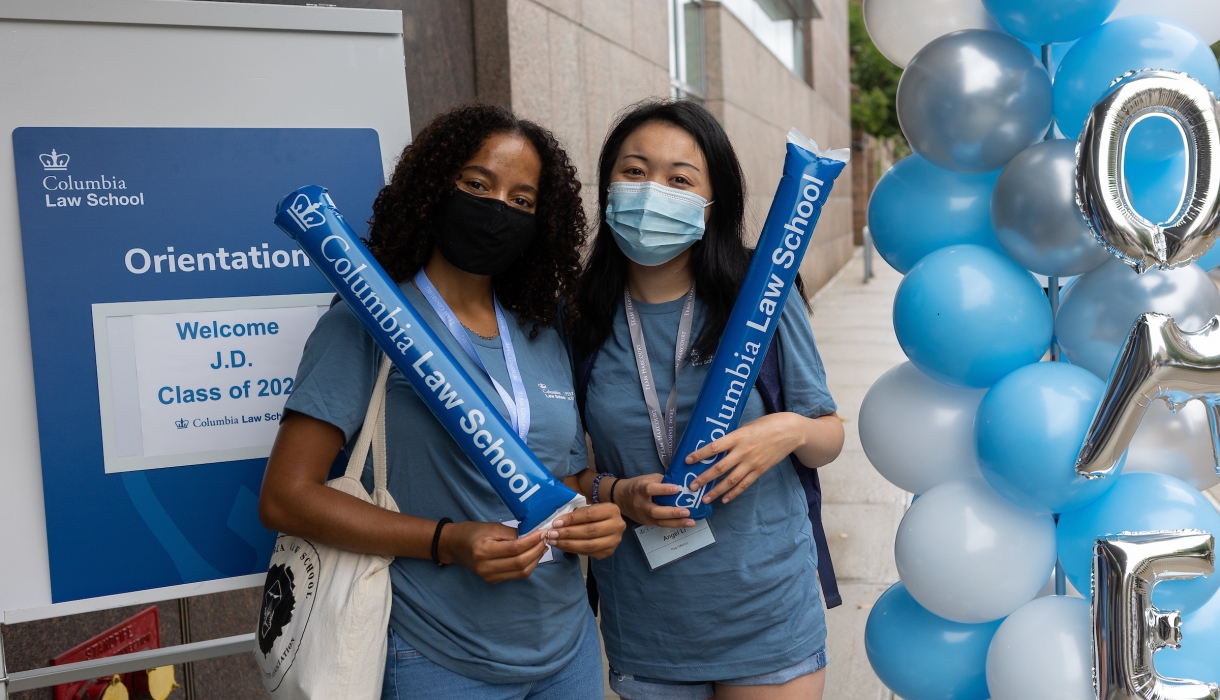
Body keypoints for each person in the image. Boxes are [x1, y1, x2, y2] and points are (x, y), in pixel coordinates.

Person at [259, 103, 625, 700]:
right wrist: (444, 541)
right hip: (438, 657)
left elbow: (566, 476)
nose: (497, 208)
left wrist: (600, 510)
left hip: (570, 652)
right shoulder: (366, 323)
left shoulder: (542, 332)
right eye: (478, 185)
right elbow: (285, 497)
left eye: (522, 200)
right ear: (434, 188)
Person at [556, 100, 845, 700]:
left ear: (713, 203)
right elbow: (557, 470)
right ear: (607, 183)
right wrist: (615, 493)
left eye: (679, 179)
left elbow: (828, 437)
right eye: (633, 171)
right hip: (648, 625)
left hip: (769, 614)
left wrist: (789, 430)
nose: (651, 191)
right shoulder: (577, 316)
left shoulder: (759, 293)